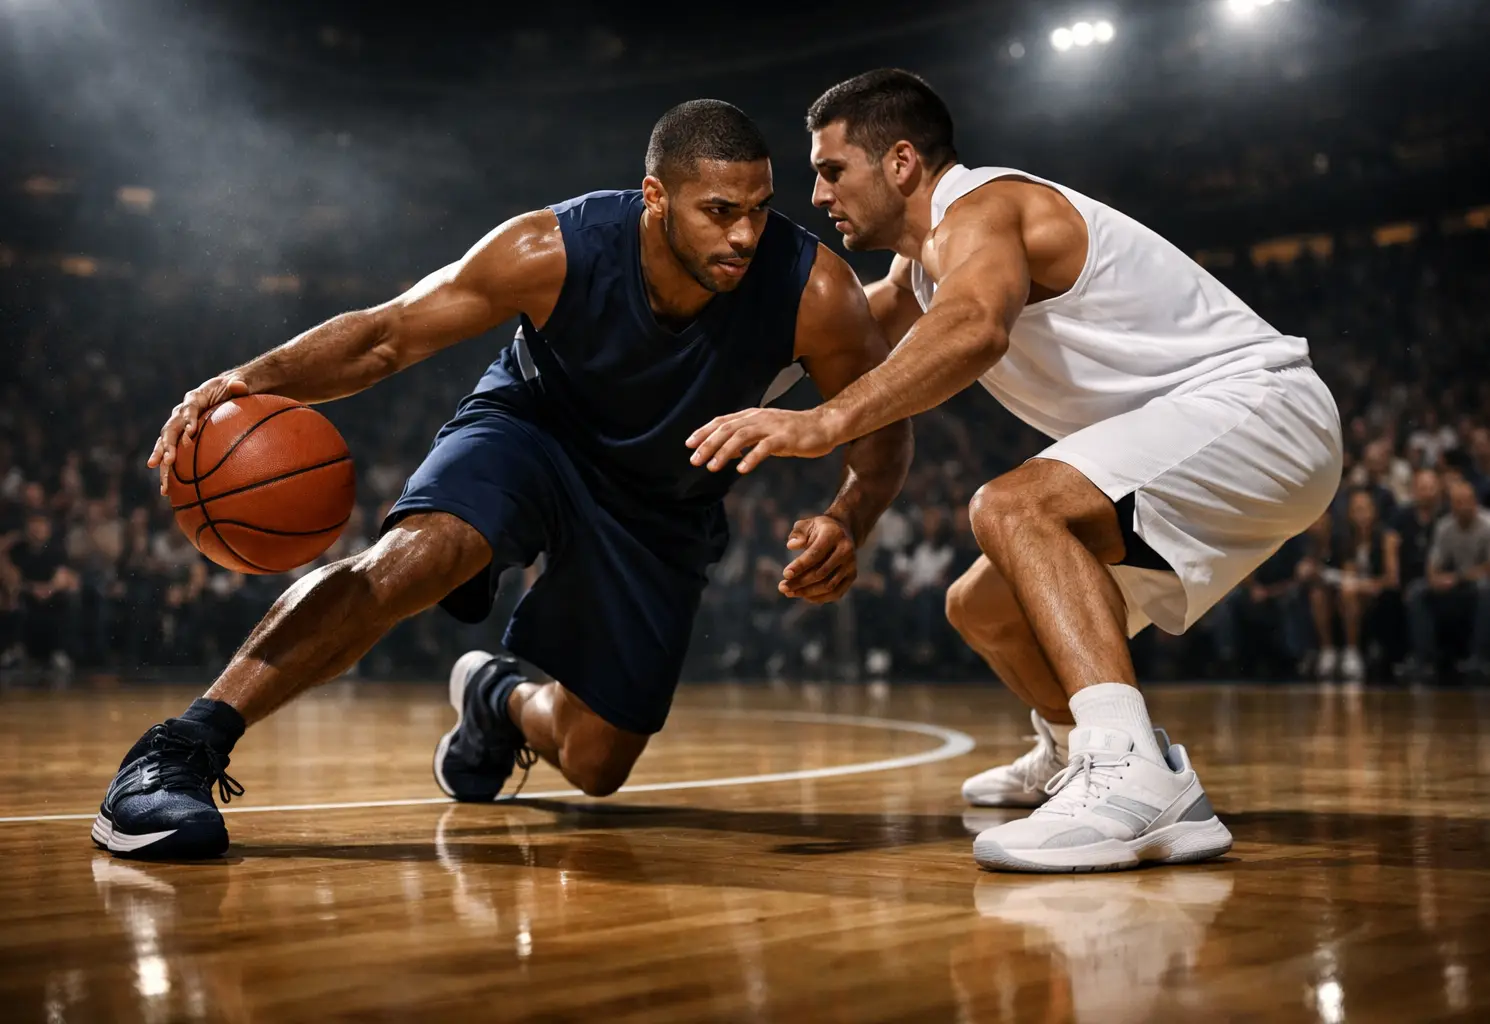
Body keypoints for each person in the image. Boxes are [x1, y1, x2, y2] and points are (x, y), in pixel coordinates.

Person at [93, 100, 913, 859]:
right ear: (656, 198)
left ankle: (496, 697)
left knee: (597, 764)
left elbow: (880, 430)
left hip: (662, 503)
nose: (743, 235)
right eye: (720, 212)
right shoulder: (551, 247)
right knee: (412, 561)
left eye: (759, 209)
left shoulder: (814, 291)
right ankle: (177, 753)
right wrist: (249, 378)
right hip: (533, 432)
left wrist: (848, 518)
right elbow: (388, 336)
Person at [686, 69, 1343, 872]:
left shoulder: (983, 208)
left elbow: (973, 329)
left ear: (899, 163)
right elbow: (836, 337)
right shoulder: (923, 265)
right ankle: (1079, 755)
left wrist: (825, 423)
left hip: (1261, 412)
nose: (818, 193)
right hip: (1219, 436)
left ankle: (1134, 779)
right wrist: (690, 381)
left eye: (831, 169)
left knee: (1013, 506)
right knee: (983, 607)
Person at [1405, 478, 1490, 677]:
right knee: (1417, 591)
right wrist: (1436, 579)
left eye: (1466, 501)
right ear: (1451, 505)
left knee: (1486, 590)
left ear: (1475, 501)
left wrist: (1457, 577)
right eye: (1457, 502)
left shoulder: (1487, 525)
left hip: (1477, 584)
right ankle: (1424, 659)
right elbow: (1433, 566)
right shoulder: (1445, 527)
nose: (1463, 506)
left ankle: (1479, 658)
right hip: (1457, 585)